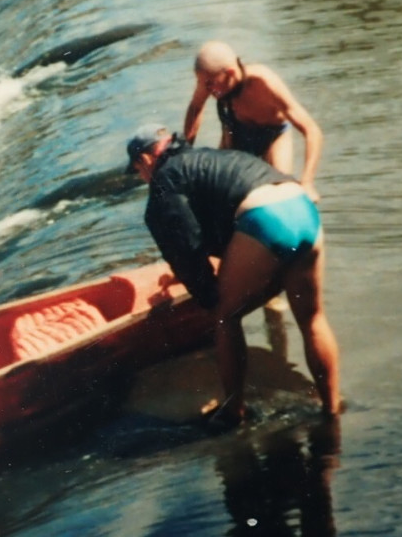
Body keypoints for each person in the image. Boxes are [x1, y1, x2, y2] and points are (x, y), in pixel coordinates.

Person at [127, 124, 341, 427]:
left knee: (225, 318)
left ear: (146, 160)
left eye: (138, 170)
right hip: (300, 206)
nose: (142, 177)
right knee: (312, 318)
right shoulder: (207, 158)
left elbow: (186, 245)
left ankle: (233, 412)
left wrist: (207, 294)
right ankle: (332, 409)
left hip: (265, 220)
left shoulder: (165, 180)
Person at [183, 40, 324, 199]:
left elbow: (312, 130)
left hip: (274, 135)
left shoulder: (264, 82)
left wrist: (307, 182)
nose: (205, 89)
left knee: (282, 192)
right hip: (237, 132)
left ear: (230, 73)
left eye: (210, 84)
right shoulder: (209, 79)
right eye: (202, 83)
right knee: (219, 191)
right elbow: (196, 108)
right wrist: (185, 150)